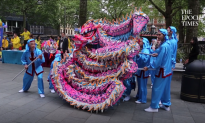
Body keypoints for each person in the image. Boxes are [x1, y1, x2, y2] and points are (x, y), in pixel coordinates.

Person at [144, 29, 172, 112]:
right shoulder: (167, 44)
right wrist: (157, 53)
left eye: (159, 35)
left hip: (162, 71)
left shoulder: (164, 46)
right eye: (157, 34)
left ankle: (154, 107)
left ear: (164, 35)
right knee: (166, 89)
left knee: (156, 88)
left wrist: (149, 67)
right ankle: (166, 105)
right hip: (167, 70)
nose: (158, 36)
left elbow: (158, 62)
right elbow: (162, 55)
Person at [134, 37, 150, 104]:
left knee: (142, 85)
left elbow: (144, 60)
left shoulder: (145, 50)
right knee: (140, 84)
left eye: (140, 41)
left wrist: (138, 55)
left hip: (143, 71)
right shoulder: (144, 50)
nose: (139, 42)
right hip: (141, 70)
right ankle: (139, 96)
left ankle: (142, 99)